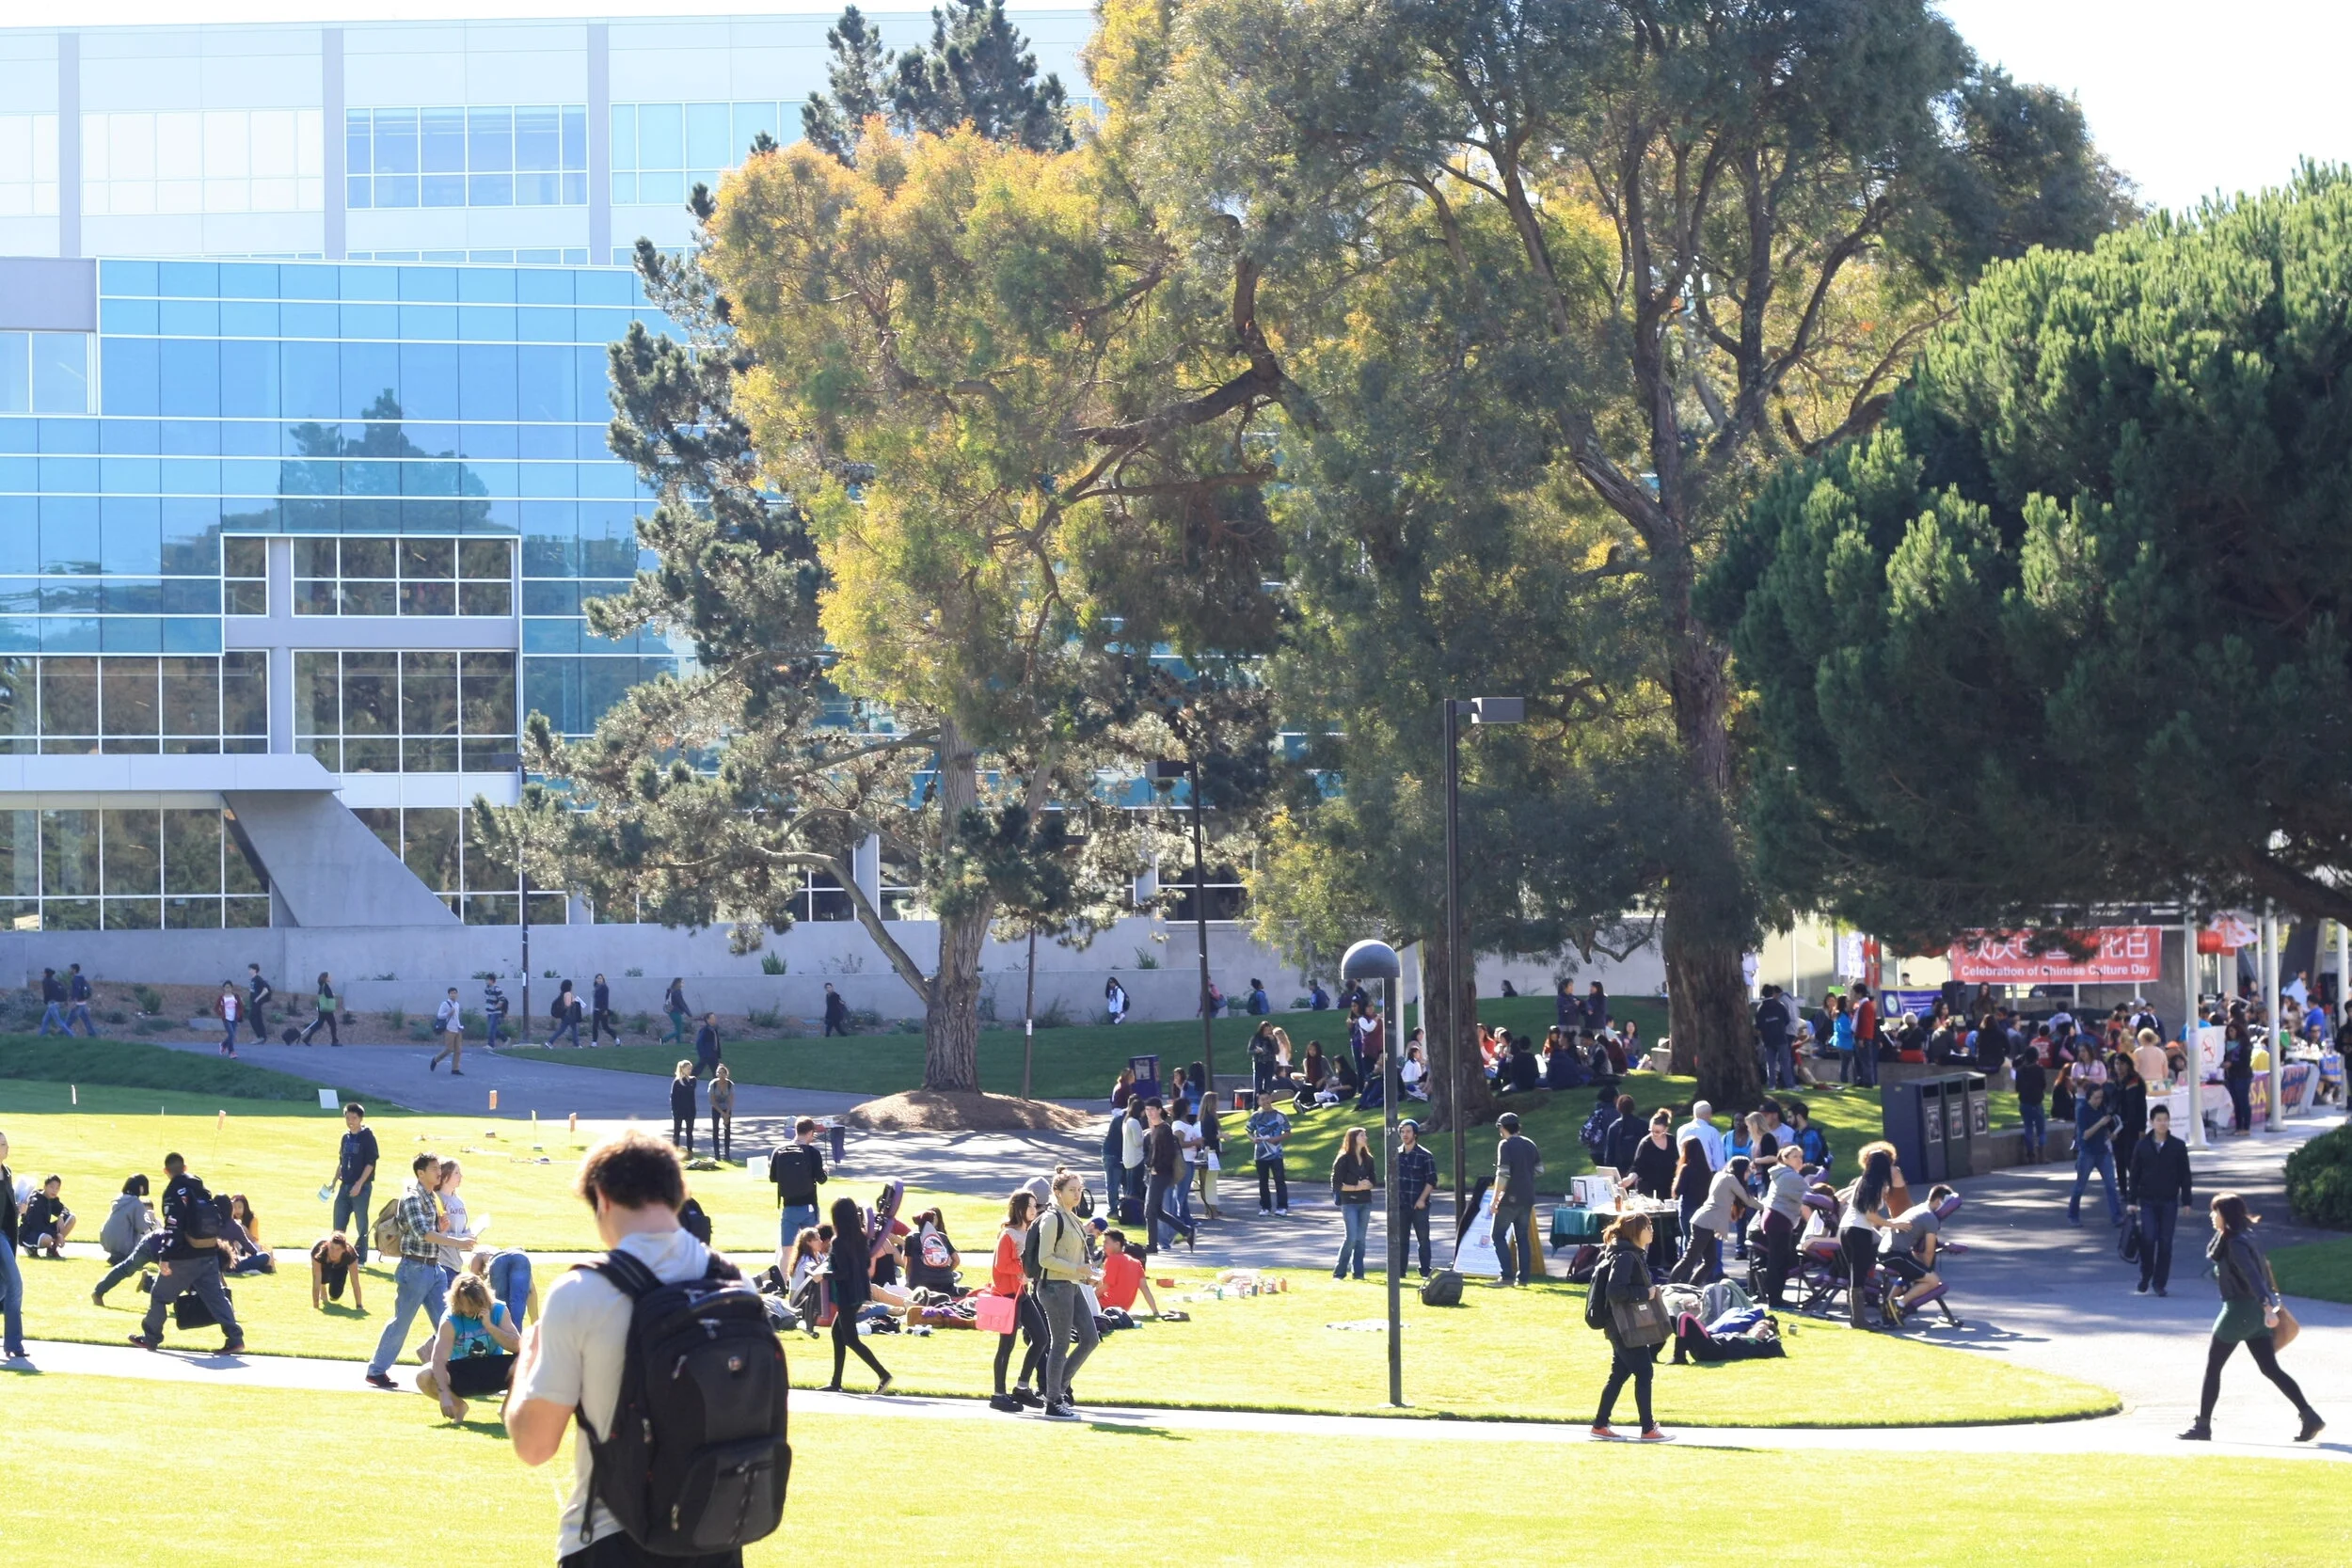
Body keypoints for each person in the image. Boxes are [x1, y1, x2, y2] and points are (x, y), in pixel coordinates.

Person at [504, 1132, 751, 1564]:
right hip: (715, 1538)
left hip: (611, 1539)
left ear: (602, 1197)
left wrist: (528, 1354)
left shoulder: (583, 1292)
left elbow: (534, 1446)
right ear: (678, 1194)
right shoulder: (736, 1285)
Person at [2182, 1194, 2325, 1443]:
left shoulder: (2236, 1243)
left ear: (2226, 1215)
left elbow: (2253, 1276)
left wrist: (2267, 1307)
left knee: (2213, 1367)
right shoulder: (2242, 1237)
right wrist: (2265, 1309)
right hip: (2254, 1314)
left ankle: (2203, 1426)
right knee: (2270, 1368)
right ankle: (2310, 1416)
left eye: (2215, 1212)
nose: (2211, 1216)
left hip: (2239, 1312)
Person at [129, 1152, 244, 1354]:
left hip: (184, 1257)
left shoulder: (173, 1192)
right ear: (185, 1167)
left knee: (159, 1295)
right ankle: (235, 1339)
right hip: (208, 1251)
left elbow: (173, 1227)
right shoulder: (200, 1186)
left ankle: (151, 1337)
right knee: (216, 1297)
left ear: (166, 1171)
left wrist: (165, 1256)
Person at [365, 1150, 450, 1388]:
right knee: (401, 1322)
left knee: (447, 1323)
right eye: (434, 1169)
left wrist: (441, 1229)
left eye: (439, 1169)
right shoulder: (412, 1198)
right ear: (420, 1173)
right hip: (415, 1269)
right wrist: (457, 1242)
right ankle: (376, 1370)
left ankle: (454, 1371)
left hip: (434, 1269)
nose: (439, 1172)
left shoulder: (431, 1197)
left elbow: (428, 1233)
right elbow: (423, 1233)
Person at [1587, 1212, 1671, 1443]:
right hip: (1623, 1327)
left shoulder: (1629, 1254)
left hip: (1621, 1325)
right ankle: (1648, 1429)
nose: (1652, 1231)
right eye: (1648, 1227)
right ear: (1636, 1232)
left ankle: (1600, 1425)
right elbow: (1615, 1291)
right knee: (1645, 1371)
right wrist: (1646, 1293)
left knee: (1620, 1373)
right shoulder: (1625, 1256)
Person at [1033, 1170, 1099, 1418]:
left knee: (1090, 1339)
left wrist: (1085, 1275)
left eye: (1079, 1189)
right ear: (1057, 1192)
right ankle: (1053, 1401)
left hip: (1070, 1284)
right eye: (1072, 1190)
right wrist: (1076, 1270)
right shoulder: (1052, 1219)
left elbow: (1073, 1256)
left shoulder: (1071, 1217)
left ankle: (1057, 1390)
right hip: (1054, 1287)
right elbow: (1045, 1258)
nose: (1077, 1194)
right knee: (1060, 1343)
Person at [417, 1270, 519, 1421]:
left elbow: (519, 1346)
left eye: (472, 1306)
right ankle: (459, 1406)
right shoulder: (450, 1318)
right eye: (462, 1305)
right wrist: (444, 1392)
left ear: (483, 1300)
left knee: (529, 1360)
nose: (467, 1310)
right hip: (461, 1372)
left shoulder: (498, 1310)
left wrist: (490, 1326)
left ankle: (506, 1411)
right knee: (423, 1376)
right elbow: (438, 1359)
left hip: (493, 1369)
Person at [821, 1194, 893, 1393]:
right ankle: (836, 1382)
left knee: (851, 1339)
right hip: (860, 1290)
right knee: (837, 1333)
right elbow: (867, 1263)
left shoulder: (838, 1242)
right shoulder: (861, 1237)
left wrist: (824, 1275)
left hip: (847, 1294)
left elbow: (842, 1273)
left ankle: (883, 1374)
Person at [985, 1193, 1047, 1412]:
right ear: (1018, 1208)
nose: (1033, 1210)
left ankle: (1022, 1386)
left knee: (1041, 1338)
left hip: (1021, 1294)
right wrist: (1023, 1271)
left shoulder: (1028, 1232)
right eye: (1029, 1206)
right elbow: (1000, 1265)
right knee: (1006, 1345)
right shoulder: (1008, 1235)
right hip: (1007, 1296)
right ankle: (998, 1394)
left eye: (1034, 1206)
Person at [2130, 1105, 2193, 1296]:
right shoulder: (2142, 1146)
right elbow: (2134, 1175)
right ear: (2151, 1122)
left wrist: (2187, 1201)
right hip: (2148, 1200)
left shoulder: (2177, 1146)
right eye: (2159, 1120)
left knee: (2165, 1242)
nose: (2162, 1123)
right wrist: (2132, 1200)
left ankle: (2160, 1282)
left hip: (2169, 1201)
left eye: (2165, 1119)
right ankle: (2146, 1274)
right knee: (2148, 1239)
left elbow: (2185, 1175)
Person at [1877, 1181, 1956, 1325]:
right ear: (1939, 1201)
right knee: (1932, 1280)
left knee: (1911, 1274)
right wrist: (1926, 1271)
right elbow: (1929, 1250)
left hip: (1886, 1251)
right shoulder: (1930, 1218)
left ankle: (1887, 1308)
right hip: (1894, 1254)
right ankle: (1899, 1305)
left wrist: (1920, 1272)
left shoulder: (1918, 1208)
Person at [1671, 1155, 1757, 1285]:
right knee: (1690, 1258)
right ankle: (1670, 1285)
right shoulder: (1729, 1179)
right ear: (1741, 1170)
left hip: (1708, 1223)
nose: (1750, 1174)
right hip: (1704, 1222)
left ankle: (1692, 1287)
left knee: (1710, 1261)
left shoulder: (1727, 1178)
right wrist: (1766, 1206)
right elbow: (1747, 1199)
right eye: (1748, 1170)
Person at [1839, 1148, 1897, 1330]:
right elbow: (1871, 1215)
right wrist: (1894, 1225)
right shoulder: (1877, 1184)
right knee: (1859, 1274)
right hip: (1859, 1231)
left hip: (1845, 1228)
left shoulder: (1862, 1181)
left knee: (1854, 1273)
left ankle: (1856, 1318)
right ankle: (1860, 1320)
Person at [1491, 1112, 1541, 1287]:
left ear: (1502, 1128)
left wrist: (1495, 1198)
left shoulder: (1505, 1145)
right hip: (1527, 1197)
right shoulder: (1530, 1144)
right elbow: (1539, 1170)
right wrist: (1525, 1175)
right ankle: (1523, 1278)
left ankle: (1506, 1276)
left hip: (1510, 1197)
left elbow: (1503, 1174)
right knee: (1522, 1237)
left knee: (1497, 1235)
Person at [1142, 1100, 1197, 1253]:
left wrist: (1156, 1168)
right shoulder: (1154, 1129)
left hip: (1161, 1173)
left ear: (1160, 1110)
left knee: (1150, 1211)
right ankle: (1186, 1231)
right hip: (1156, 1172)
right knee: (1156, 1211)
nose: (1149, 1112)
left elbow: (1168, 1154)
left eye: (1152, 1109)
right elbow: (1151, 1153)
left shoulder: (1165, 1129)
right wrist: (1149, 1164)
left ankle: (1152, 1245)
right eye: (1147, 1109)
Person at [1758, 1144, 1808, 1307]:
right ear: (1785, 1159)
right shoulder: (1791, 1177)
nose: (1799, 1160)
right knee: (1778, 1261)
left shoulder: (1782, 1174)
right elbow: (1809, 1196)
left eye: (1800, 1156)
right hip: (1779, 1219)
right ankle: (1775, 1299)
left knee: (1778, 1260)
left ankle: (1775, 1297)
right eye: (1795, 1156)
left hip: (1775, 1218)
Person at [2069, 1081, 2123, 1227]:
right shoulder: (2082, 1110)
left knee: (2111, 1185)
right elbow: (2085, 1135)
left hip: (2102, 1151)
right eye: (2096, 1098)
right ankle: (2073, 1215)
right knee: (2080, 1186)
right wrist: (2100, 1123)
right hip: (2088, 1152)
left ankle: (2117, 1216)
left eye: (2101, 1097)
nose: (2099, 1101)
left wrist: (2110, 1134)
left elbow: (2105, 1127)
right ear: (2089, 1097)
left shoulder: (2102, 1108)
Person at [331, 1101, 380, 1265]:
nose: (350, 1121)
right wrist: (332, 1182)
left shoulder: (367, 1137)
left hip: (362, 1187)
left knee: (361, 1223)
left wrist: (359, 1184)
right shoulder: (345, 1137)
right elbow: (341, 1160)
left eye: (354, 1117)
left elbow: (370, 1163)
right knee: (338, 1221)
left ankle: (360, 1258)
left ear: (360, 1118)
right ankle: (336, 1255)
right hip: (344, 1186)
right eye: (347, 1117)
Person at [770, 1117, 828, 1249]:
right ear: (810, 1133)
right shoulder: (813, 1153)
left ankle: (785, 1271)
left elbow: (773, 1178)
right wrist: (824, 1171)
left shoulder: (779, 1151)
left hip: (789, 1205)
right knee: (813, 1248)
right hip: (809, 1206)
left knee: (787, 1249)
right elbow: (821, 1179)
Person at [1330, 1126, 1378, 1280]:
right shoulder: (1343, 1159)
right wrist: (1356, 1187)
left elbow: (1374, 1180)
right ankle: (1339, 1271)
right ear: (1353, 1139)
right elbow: (1336, 1184)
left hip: (1365, 1202)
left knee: (1361, 1239)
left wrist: (1367, 1184)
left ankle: (1358, 1273)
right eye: (1362, 1135)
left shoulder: (1368, 1159)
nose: (1365, 1138)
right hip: (1349, 1202)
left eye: (1365, 1135)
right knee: (1351, 1237)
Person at [1394, 1119, 1438, 1278]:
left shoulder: (1425, 1155)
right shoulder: (1395, 1155)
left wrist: (1422, 1199)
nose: (1405, 1135)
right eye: (1402, 1132)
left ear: (1415, 1134)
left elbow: (1432, 1180)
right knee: (1401, 1240)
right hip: (1401, 1204)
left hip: (1420, 1204)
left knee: (1423, 1239)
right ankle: (1400, 1271)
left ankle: (1425, 1270)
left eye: (1408, 1131)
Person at [1096, 1228, 1162, 1317]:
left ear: (1117, 1244)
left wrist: (1089, 1299)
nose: (1103, 1245)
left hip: (1106, 1307)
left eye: (1106, 1242)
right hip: (1123, 1309)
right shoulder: (1136, 1263)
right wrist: (1155, 1312)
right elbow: (1145, 1289)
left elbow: (1106, 1286)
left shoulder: (1112, 1259)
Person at [99, 1174, 158, 1268]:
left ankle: (117, 1257)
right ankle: (125, 1257)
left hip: (106, 1239)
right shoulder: (135, 1203)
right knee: (147, 1236)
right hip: (123, 1244)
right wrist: (150, 1220)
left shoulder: (119, 1199)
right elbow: (142, 1227)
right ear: (141, 1187)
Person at [1248, 1093, 1291, 1214]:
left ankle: (1282, 1207)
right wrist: (1253, 1139)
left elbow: (1288, 1132)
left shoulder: (1280, 1115)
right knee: (1263, 1181)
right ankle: (1265, 1207)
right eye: (1262, 1099)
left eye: (1267, 1099)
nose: (1265, 1101)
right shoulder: (1255, 1116)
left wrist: (1276, 1139)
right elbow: (1249, 1131)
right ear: (1259, 1102)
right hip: (1260, 1154)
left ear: (1271, 1099)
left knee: (1279, 1180)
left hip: (1276, 1153)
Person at [0, 1132, 21, 1358]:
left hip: (5, 1234)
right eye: (3, 1144)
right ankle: (14, 1344)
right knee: (15, 1283)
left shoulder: (6, 1173)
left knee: (4, 1286)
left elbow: (7, 1209)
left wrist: (19, 1208)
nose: (8, 1147)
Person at [1625, 1111, 1677, 1199]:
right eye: (1651, 1130)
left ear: (1666, 1129)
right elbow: (1637, 1166)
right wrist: (1630, 1179)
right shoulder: (1646, 1143)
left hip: (1667, 1188)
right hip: (1648, 1190)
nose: (1653, 1134)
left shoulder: (1672, 1140)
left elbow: (1678, 1160)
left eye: (1657, 1131)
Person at [16, 1175, 72, 1257]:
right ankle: (30, 1248)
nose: (54, 1190)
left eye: (57, 1188)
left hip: (43, 1229)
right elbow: (37, 1226)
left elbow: (64, 1209)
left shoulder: (52, 1198)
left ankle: (52, 1249)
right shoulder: (36, 1201)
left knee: (71, 1218)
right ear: (45, 1186)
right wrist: (57, 1235)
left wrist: (61, 1216)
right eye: (52, 1187)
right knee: (47, 1239)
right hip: (29, 1233)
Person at [311, 1231, 367, 1310]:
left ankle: (332, 1290)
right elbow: (316, 1279)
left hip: (340, 1266)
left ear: (344, 1250)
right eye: (332, 1248)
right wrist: (316, 1306)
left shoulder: (350, 1255)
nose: (334, 1252)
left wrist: (359, 1306)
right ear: (328, 1246)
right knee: (321, 1278)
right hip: (324, 1264)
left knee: (335, 1295)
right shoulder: (318, 1251)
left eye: (338, 1249)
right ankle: (323, 1287)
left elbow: (355, 1282)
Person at [2011, 1045, 2048, 1163]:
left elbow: (2017, 1088)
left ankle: (2031, 1155)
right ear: (2037, 1057)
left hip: (2024, 1102)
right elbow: (2043, 1085)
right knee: (2041, 1130)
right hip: (2037, 1102)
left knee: (2028, 1128)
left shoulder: (2020, 1070)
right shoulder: (2039, 1069)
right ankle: (2042, 1155)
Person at [222, 1193, 274, 1275]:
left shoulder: (208, 1223)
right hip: (231, 1265)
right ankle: (262, 1268)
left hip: (211, 1263)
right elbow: (251, 1249)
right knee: (265, 1256)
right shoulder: (234, 1225)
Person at [1756, 983, 1795, 1089]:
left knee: (1770, 1063)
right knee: (1785, 1062)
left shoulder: (1761, 1008)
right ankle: (1789, 1084)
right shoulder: (1779, 1005)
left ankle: (1772, 1084)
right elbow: (1787, 1020)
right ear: (1773, 993)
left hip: (1768, 1039)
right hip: (1781, 1037)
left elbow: (1759, 1025)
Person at [1676, 1101, 1726, 1171]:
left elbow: (1680, 1152)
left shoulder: (1681, 1130)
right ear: (1708, 1114)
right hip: (1707, 1173)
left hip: (1685, 1172)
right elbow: (1719, 1160)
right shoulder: (1712, 1132)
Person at [429, 987, 467, 1074]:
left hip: (457, 1029)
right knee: (449, 1049)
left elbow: (456, 1017)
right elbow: (439, 1016)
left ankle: (455, 1069)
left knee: (458, 1050)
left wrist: (460, 1026)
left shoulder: (457, 1004)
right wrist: (449, 1013)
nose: (453, 994)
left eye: (455, 993)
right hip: (449, 1029)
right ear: (449, 994)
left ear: (457, 994)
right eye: (451, 993)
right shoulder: (445, 1004)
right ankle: (435, 1060)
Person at [668, 1061, 698, 1155]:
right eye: (687, 1068)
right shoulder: (677, 1082)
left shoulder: (693, 1080)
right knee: (677, 1132)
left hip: (690, 1110)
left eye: (690, 1069)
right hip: (679, 1111)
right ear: (682, 1069)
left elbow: (690, 1089)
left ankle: (690, 1151)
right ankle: (675, 1151)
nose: (690, 1070)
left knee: (689, 1132)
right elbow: (673, 1098)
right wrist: (674, 1111)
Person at [707, 1066, 736, 1162]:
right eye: (719, 1073)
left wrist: (727, 1114)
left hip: (726, 1108)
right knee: (715, 1130)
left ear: (726, 1074)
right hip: (716, 1107)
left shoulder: (730, 1084)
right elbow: (712, 1100)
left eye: (723, 1073)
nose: (721, 1075)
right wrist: (721, 1113)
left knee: (727, 1130)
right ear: (716, 1074)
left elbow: (731, 1099)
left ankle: (727, 1154)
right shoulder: (713, 1084)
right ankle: (717, 1155)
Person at [546, 980, 583, 1048]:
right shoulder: (568, 994)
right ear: (570, 986)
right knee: (570, 1029)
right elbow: (567, 1004)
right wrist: (574, 1001)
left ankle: (550, 1042)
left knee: (564, 1029)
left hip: (566, 1015)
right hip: (569, 1015)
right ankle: (576, 1045)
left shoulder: (563, 993)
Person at [65, 962, 98, 1037]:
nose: (69, 970)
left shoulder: (75, 979)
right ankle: (92, 1034)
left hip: (78, 1004)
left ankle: (63, 1033)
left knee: (69, 1020)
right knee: (87, 1020)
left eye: (70, 969)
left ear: (74, 970)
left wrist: (74, 1002)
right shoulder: (82, 978)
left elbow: (76, 991)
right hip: (83, 1003)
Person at [245, 962, 275, 1044]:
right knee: (258, 1019)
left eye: (250, 969)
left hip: (257, 1003)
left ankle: (260, 1036)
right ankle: (262, 1037)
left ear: (255, 970)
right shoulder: (253, 980)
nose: (249, 971)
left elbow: (266, 990)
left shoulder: (258, 979)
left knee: (251, 1017)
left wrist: (257, 998)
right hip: (254, 1002)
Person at [213, 980, 242, 1057]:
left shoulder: (235, 997)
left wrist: (238, 1014)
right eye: (226, 987)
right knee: (231, 1034)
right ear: (224, 988)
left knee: (232, 1035)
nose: (228, 989)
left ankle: (223, 1044)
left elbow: (240, 1007)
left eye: (229, 987)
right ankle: (231, 1052)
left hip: (234, 1018)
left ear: (232, 988)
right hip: (226, 1019)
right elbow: (216, 1008)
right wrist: (221, 1014)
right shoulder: (222, 998)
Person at [590, 973, 620, 1045]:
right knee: (594, 1026)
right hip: (596, 1010)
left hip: (603, 1010)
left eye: (600, 978)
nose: (599, 980)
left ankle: (616, 1039)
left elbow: (605, 1000)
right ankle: (594, 1042)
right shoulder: (596, 987)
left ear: (603, 980)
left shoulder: (605, 988)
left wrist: (605, 1010)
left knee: (605, 1027)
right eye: (598, 978)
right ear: (595, 980)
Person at [35, 969, 68, 1036]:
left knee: (59, 1022)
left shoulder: (45, 981)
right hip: (56, 1003)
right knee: (45, 1021)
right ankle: (40, 1036)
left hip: (52, 1004)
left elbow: (46, 993)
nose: (42, 974)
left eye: (43, 973)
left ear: (46, 974)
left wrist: (45, 1001)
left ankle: (71, 1035)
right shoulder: (54, 982)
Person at [483, 975, 511, 1049]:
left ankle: (490, 1045)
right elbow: (487, 998)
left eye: (488, 980)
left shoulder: (497, 989)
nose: (486, 981)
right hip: (489, 1012)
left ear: (492, 980)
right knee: (492, 1028)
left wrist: (497, 1005)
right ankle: (505, 1038)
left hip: (495, 1012)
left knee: (491, 1028)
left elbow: (502, 999)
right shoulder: (487, 989)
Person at [694, 1012, 723, 1078]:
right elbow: (699, 1042)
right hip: (706, 1054)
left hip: (713, 1054)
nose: (714, 1020)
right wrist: (703, 1054)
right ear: (707, 1020)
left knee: (716, 1070)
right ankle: (689, 1079)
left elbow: (716, 1042)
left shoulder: (714, 1029)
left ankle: (716, 1084)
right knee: (699, 1068)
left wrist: (718, 1053)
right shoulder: (705, 1030)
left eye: (714, 1018)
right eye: (712, 1018)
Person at [663, 976, 691, 1044]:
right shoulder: (677, 992)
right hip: (676, 1012)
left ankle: (678, 1043)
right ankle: (663, 1040)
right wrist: (689, 1013)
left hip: (671, 1012)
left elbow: (667, 1000)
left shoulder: (671, 991)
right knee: (678, 1031)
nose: (683, 984)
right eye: (682, 982)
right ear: (678, 983)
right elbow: (681, 1003)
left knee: (678, 1029)